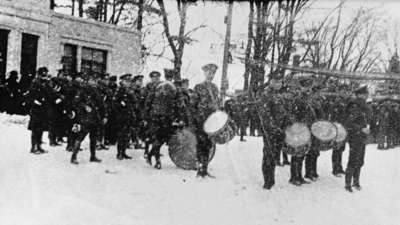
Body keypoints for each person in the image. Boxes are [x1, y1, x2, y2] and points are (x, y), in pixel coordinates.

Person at [70, 75, 106, 164]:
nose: (94, 82)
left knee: (93, 138)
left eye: (95, 80)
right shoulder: (82, 91)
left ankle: (93, 156)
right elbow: (75, 102)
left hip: (95, 118)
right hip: (85, 118)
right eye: (92, 80)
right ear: (88, 81)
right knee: (80, 137)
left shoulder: (97, 91)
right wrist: (85, 106)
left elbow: (102, 105)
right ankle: (73, 157)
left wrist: (105, 116)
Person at [193, 63, 220, 177]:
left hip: (211, 121)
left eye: (213, 73)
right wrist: (194, 121)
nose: (211, 75)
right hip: (201, 120)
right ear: (204, 73)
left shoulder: (214, 88)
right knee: (201, 144)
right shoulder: (198, 87)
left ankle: (205, 168)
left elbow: (216, 104)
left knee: (209, 145)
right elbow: (193, 105)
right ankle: (200, 168)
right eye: (209, 72)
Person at [344, 85, 370, 192]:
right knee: (353, 160)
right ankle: (348, 184)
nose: (367, 95)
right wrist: (361, 129)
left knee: (360, 160)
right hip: (355, 137)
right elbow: (348, 123)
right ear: (359, 95)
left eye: (366, 94)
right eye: (364, 94)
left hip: (361, 137)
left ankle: (356, 182)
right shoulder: (355, 105)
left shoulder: (363, 106)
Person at [27, 67, 50, 154]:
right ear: (39, 74)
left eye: (46, 74)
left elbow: (48, 93)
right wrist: (35, 101)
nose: (45, 76)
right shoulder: (35, 82)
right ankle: (34, 147)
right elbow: (31, 95)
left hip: (43, 109)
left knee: (41, 128)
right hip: (36, 109)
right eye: (43, 75)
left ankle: (39, 145)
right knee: (35, 128)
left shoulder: (45, 83)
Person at [113, 74, 136, 160]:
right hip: (121, 116)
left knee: (127, 135)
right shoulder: (119, 90)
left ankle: (124, 152)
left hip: (129, 116)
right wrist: (120, 105)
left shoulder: (130, 91)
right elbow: (114, 103)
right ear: (122, 81)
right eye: (126, 81)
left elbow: (134, 102)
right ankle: (119, 153)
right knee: (121, 135)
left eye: (129, 81)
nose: (128, 83)